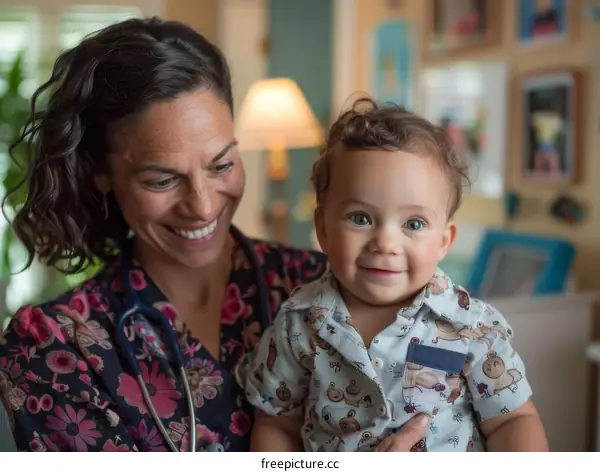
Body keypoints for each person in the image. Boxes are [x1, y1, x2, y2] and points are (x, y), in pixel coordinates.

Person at [0, 17, 426, 452]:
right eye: (162, 181)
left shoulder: (333, 287)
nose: (202, 206)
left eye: (221, 165)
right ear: (101, 174)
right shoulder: (55, 348)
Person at [235, 98, 549, 452]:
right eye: (360, 218)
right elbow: (276, 424)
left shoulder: (471, 326)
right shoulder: (298, 325)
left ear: (444, 241)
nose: (385, 243)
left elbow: (513, 420)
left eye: (413, 223)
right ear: (322, 227)